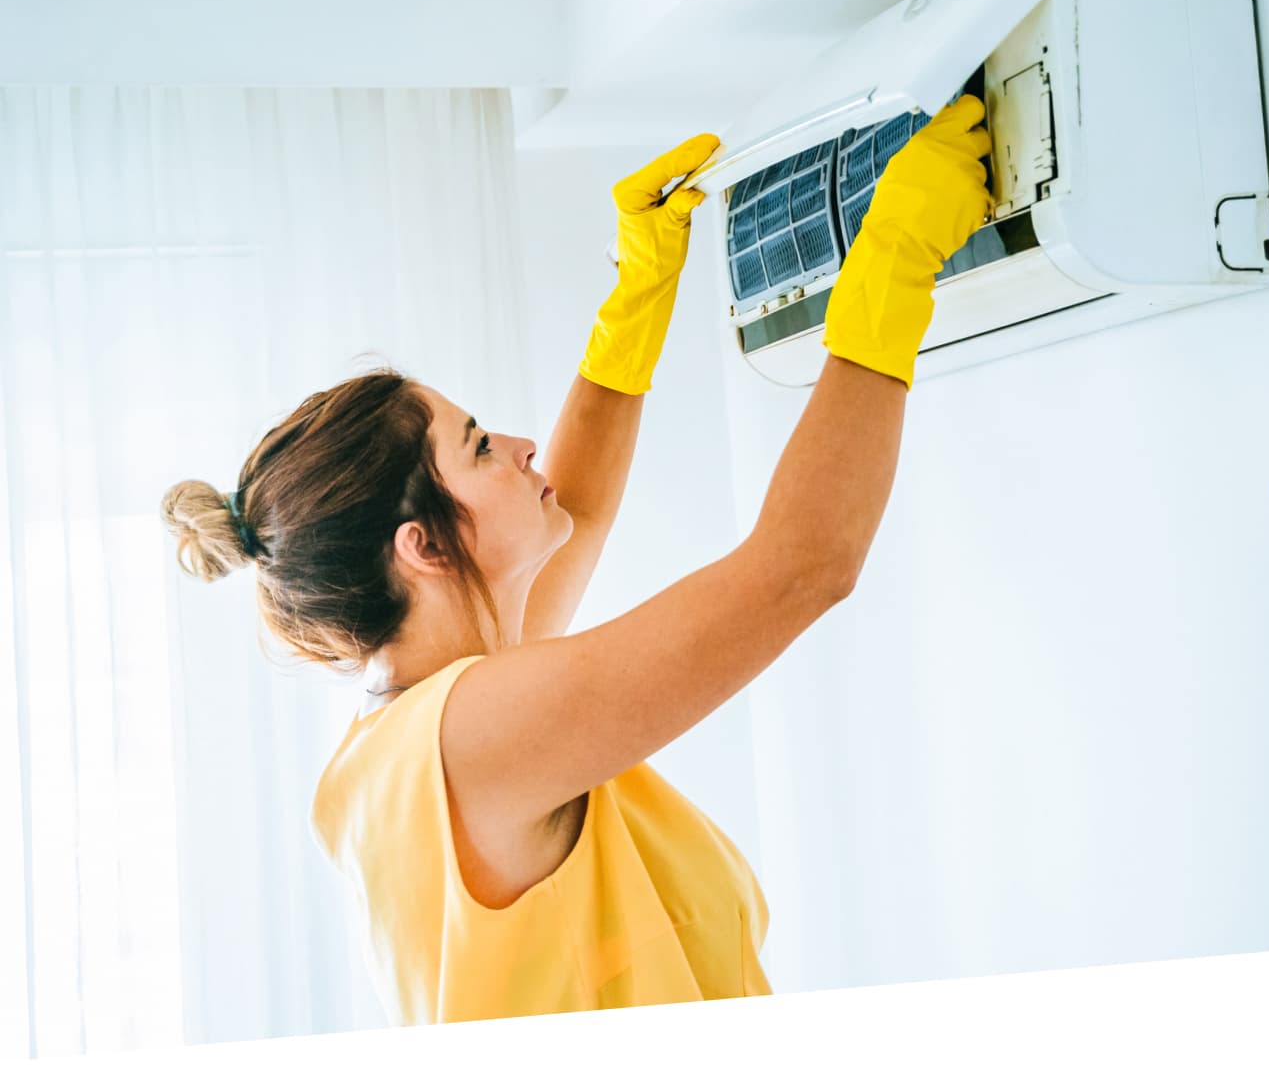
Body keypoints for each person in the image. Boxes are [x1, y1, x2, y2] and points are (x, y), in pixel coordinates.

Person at [158, 95, 994, 1026]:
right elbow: (805, 565)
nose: (520, 447)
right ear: (425, 546)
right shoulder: (471, 738)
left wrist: (639, 291)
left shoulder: (430, 720)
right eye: (478, 446)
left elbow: (577, 505)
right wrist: (890, 273)